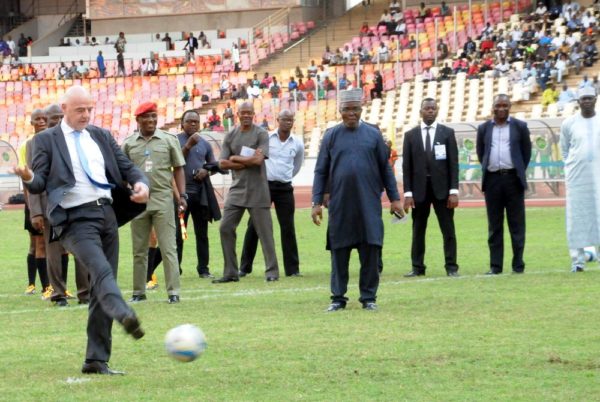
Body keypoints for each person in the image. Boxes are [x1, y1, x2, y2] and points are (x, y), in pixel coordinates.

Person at [12, 85, 148, 375]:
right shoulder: (46, 140)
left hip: (107, 214)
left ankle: (96, 360)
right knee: (101, 271)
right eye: (80, 110)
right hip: (74, 219)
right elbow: (39, 183)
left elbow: (127, 167)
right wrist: (27, 176)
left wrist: (141, 184)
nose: (86, 114)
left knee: (100, 288)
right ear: (65, 109)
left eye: (89, 109)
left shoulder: (100, 135)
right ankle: (124, 313)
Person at [311, 89, 403, 312]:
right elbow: (321, 170)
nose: (351, 113)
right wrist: (316, 202)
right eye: (347, 109)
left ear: (362, 110)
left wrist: (395, 198)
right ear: (340, 111)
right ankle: (338, 298)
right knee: (339, 252)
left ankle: (368, 297)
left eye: (355, 109)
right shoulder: (331, 136)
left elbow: (385, 169)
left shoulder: (373, 135)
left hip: (368, 204)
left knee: (370, 249)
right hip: (340, 205)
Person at [122, 102, 186, 304]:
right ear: (138, 120)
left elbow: (178, 168)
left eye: (153, 116)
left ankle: (173, 292)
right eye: (146, 117)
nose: (151, 120)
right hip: (138, 202)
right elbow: (122, 172)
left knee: (169, 248)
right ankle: (138, 292)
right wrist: (126, 194)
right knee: (139, 250)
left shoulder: (168, 140)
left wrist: (182, 195)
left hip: (163, 198)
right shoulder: (129, 144)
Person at [28, 104, 90, 306]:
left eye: (58, 117)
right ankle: (58, 293)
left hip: (76, 203)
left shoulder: (75, 137)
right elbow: (32, 179)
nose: (54, 121)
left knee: (81, 249)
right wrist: (36, 212)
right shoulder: (38, 141)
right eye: (50, 118)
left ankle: (85, 293)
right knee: (53, 251)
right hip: (50, 206)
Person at [212, 102, 280, 283]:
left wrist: (234, 157)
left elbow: (258, 161)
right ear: (237, 114)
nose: (247, 116)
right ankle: (230, 273)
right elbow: (222, 163)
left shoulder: (261, 134)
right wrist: (243, 161)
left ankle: (272, 272)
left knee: (265, 233)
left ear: (254, 114)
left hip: (258, 190)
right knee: (225, 227)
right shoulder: (231, 135)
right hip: (237, 190)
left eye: (250, 113)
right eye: (243, 113)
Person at [240, 110, 304, 277]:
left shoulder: (297, 143)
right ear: (278, 120)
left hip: (284, 188)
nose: (287, 122)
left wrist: (284, 176)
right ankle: (244, 267)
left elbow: (297, 165)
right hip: (264, 186)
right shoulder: (265, 137)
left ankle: (292, 270)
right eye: (284, 119)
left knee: (288, 227)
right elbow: (248, 154)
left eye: (290, 120)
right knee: (254, 225)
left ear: (293, 121)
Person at [402, 98, 459, 278]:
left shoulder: (447, 133)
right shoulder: (410, 136)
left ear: (437, 111)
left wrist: (453, 191)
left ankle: (451, 267)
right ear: (420, 112)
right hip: (419, 191)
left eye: (433, 108)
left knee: (448, 229)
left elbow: (453, 164)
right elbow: (407, 167)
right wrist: (408, 193)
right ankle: (417, 267)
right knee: (418, 230)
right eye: (426, 108)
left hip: (442, 191)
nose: (430, 111)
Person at [476, 94, 532, 275]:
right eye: (498, 105)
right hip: (492, 180)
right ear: (492, 107)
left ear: (510, 107)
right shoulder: (484, 128)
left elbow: (526, 154)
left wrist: (517, 171)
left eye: (505, 105)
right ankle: (495, 266)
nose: (502, 108)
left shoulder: (520, 127)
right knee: (494, 225)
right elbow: (481, 152)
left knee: (517, 225)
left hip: (513, 180)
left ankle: (518, 265)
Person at [560, 87, 600, 272]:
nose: (587, 101)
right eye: (583, 98)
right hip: (578, 178)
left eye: (590, 98)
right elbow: (565, 150)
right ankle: (577, 261)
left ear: (595, 99)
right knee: (577, 217)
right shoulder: (569, 123)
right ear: (578, 101)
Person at [178, 110, 222, 279]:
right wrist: (188, 145)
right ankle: (177, 269)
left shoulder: (205, 143)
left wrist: (206, 171)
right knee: (180, 234)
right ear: (182, 123)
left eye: (196, 121)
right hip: (181, 194)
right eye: (189, 121)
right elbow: (174, 163)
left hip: (200, 193)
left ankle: (203, 269)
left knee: (202, 233)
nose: (193, 124)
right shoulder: (175, 140)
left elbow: (214, 166)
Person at [19, 109, 50, 297]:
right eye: (37, 119)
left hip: (46, 200)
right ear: (31, 122)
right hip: (33, 201)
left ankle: (46, 284)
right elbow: (25, 176)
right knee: (36, 244)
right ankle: (34, 283)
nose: (41, 121)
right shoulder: (27, 145)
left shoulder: (51, 140)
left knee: (48, 245)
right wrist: (30, 205)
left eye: (43, 118)